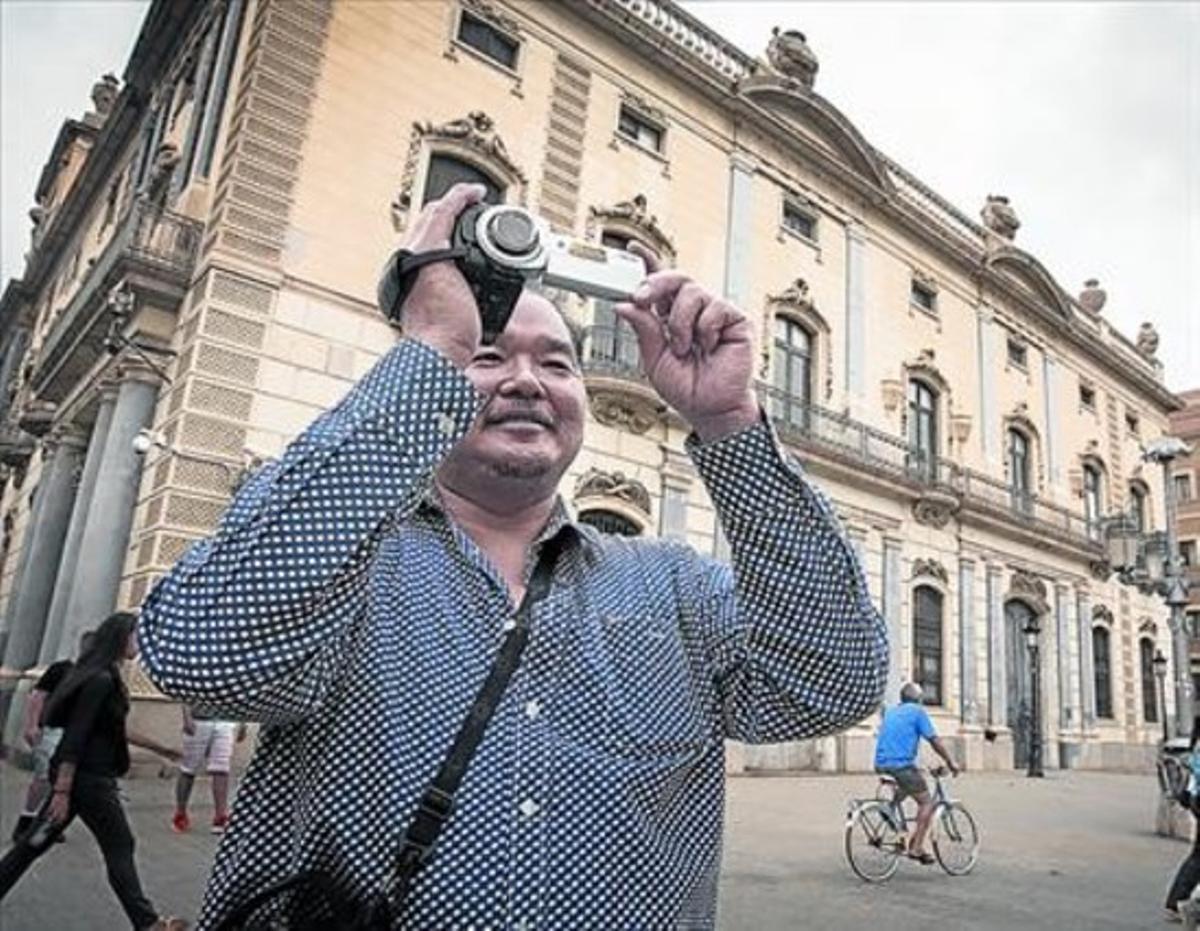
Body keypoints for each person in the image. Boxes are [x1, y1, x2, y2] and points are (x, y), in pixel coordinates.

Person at [138, 182, 889, 929]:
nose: (527, 379)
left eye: (559, 365)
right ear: (429, 377)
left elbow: (834, 681)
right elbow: (205, 656)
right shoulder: (344, 555)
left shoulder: (675, 586)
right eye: (487, 354)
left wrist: (731, 423)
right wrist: (434, 345)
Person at [0, 611, 188, 931]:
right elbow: (76, 735)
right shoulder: (100, 679)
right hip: (89, 781)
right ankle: (149, 923)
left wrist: (162, 749)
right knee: (120, 845)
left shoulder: (101, 675)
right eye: (137, 636)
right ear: (120, 637)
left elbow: (112, 729)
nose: (140, 644)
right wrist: (61, 790)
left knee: (34, 843)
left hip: (80, 781)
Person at [10, 630, 94, 843]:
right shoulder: (61, 669)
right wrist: (31, 725)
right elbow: (38, 696)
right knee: (44, 777)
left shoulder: (91, 675)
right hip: (51, 730)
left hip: (72, 735)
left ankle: (47, 822)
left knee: (62, 780)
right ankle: (26, 822)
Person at [873, 681, 960, 864]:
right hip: (900, 765)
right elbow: (934, 740)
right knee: (926, 801)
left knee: (910, 780)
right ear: (919, 699)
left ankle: (890, 807)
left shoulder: (891, 711)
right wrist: (950, 762)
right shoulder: (918, 712)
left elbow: (899, 739)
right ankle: (916, 847)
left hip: (881, 764)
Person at [172, 704, 247, 835]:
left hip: (225, 721)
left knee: (221, 769)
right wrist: (187, 717)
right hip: (199, 720)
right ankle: (181, 812)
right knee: (189, 768)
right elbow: (186, 690)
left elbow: (239, 692)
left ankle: (220, 816)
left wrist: (243, 722)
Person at [1164, 715, 1200, 922]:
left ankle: (1177, 901)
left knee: (1197, 855)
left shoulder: (1196, 745)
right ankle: (1182, 903)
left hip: (1196, 800)